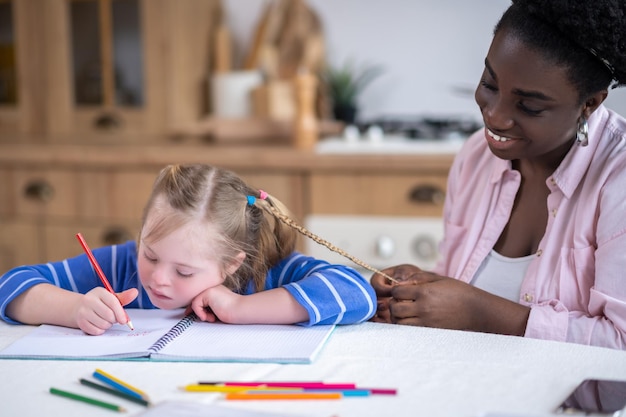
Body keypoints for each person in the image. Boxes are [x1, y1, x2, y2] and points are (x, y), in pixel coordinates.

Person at [371, 0, 626, 350]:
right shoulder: (477, 156)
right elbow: (458, 284)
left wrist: (481, 313)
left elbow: (620, 347)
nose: (495, 116)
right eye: (489, 83)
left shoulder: (618, 181)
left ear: (590, 103)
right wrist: (421, 290)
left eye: (529, 106)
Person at [0, 164, 376, 335]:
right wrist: (74, 308)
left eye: (184, 271)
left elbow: (358, 292)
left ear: (231, 264)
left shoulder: (268, 274)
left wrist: (241, 308)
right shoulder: (119, 267)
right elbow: (11, 285)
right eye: (151, 254)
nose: (157, 278)